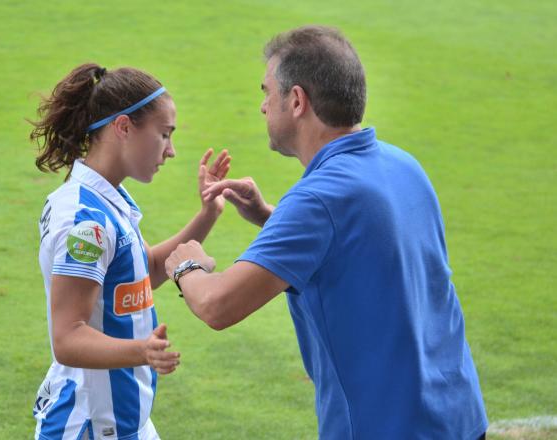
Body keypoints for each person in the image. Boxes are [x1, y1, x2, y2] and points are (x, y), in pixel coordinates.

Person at [164, 26, 488, 439]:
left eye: (267, 92)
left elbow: (218, 306)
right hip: (458, 417)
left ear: (296, 100)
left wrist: (187, 265)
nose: (263, 107)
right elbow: (363, 241)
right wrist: (269, 215)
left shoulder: (317, 201)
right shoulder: (402, 164)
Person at [29, 63, 230, 440]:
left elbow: (146, 269)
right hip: (88, 425)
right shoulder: (85, 223)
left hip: (123, 422)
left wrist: (208, 214)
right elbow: (68, 338)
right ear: (123, 127)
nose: (171, 151)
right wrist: (144, 352)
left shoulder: (109, 197)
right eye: (164, 134)